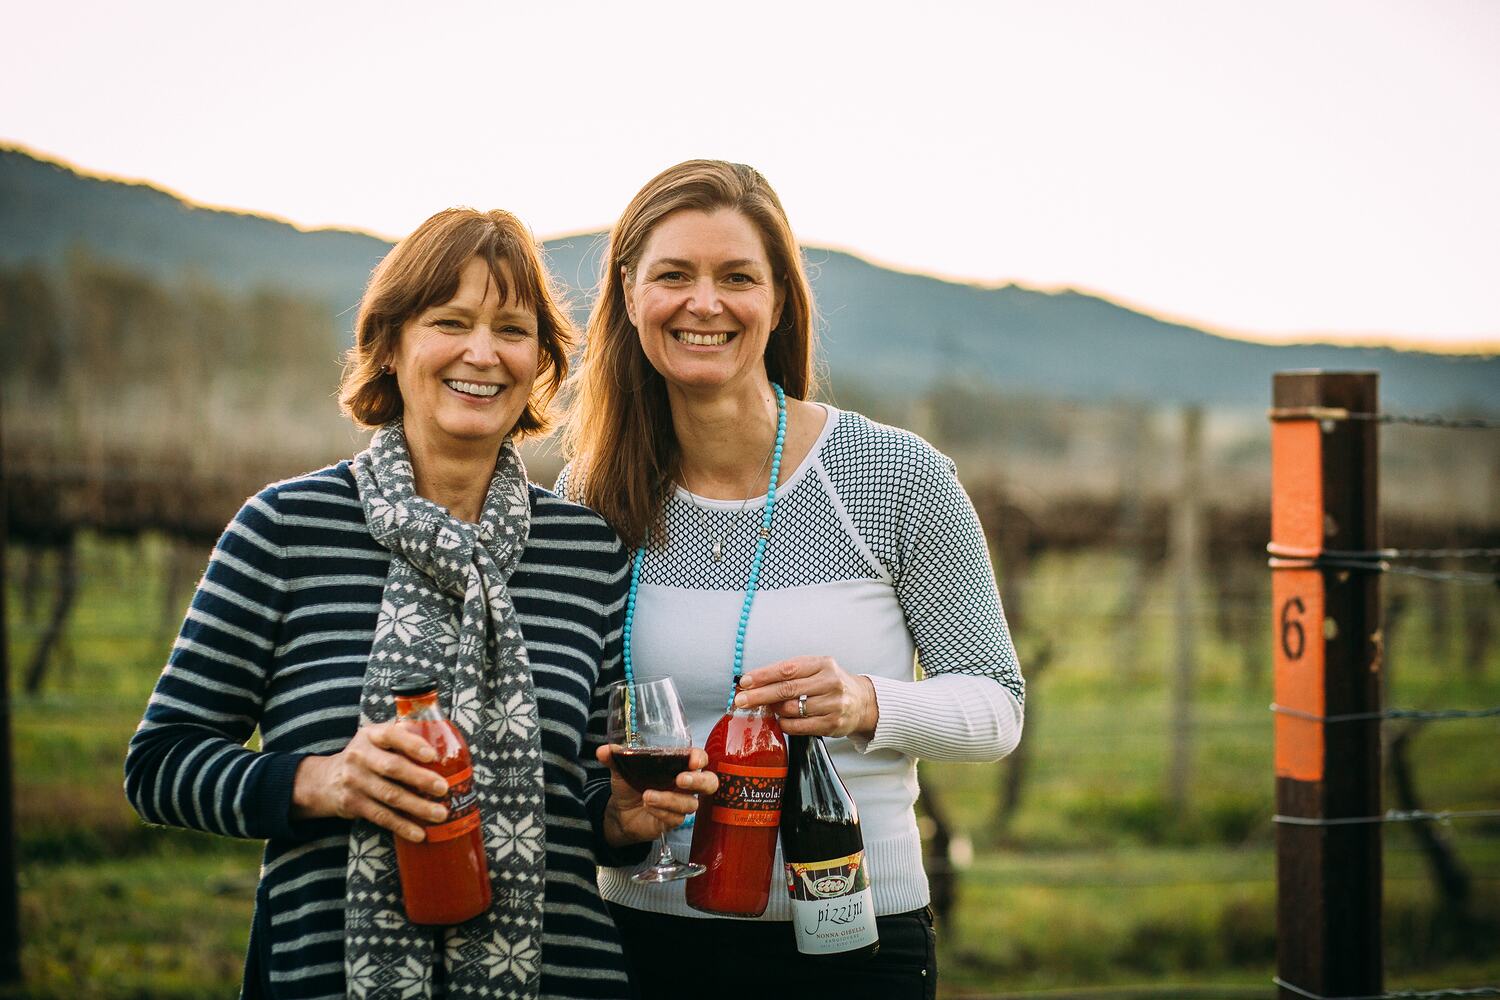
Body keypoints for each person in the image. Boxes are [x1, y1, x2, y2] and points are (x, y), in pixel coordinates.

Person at [124, 207, 714, 1000]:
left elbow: (584, 789)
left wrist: (620, 821)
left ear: (541, 363)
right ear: (391, 346)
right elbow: (160, 764)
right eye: (451, 321)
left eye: (512, 329)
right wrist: (322, 782)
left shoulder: (587, 552)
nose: (483, 353)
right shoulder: (285, 530)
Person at [558, 161, 1026, 999]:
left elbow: (998, 709)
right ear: (630, 294)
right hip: (637, 937)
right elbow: (569, 737)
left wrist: (869, 703)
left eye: (736, 277)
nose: (705, 303)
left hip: (853, 939)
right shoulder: (589, 498)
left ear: (778, 301)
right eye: (673, 275)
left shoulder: (894, 475)